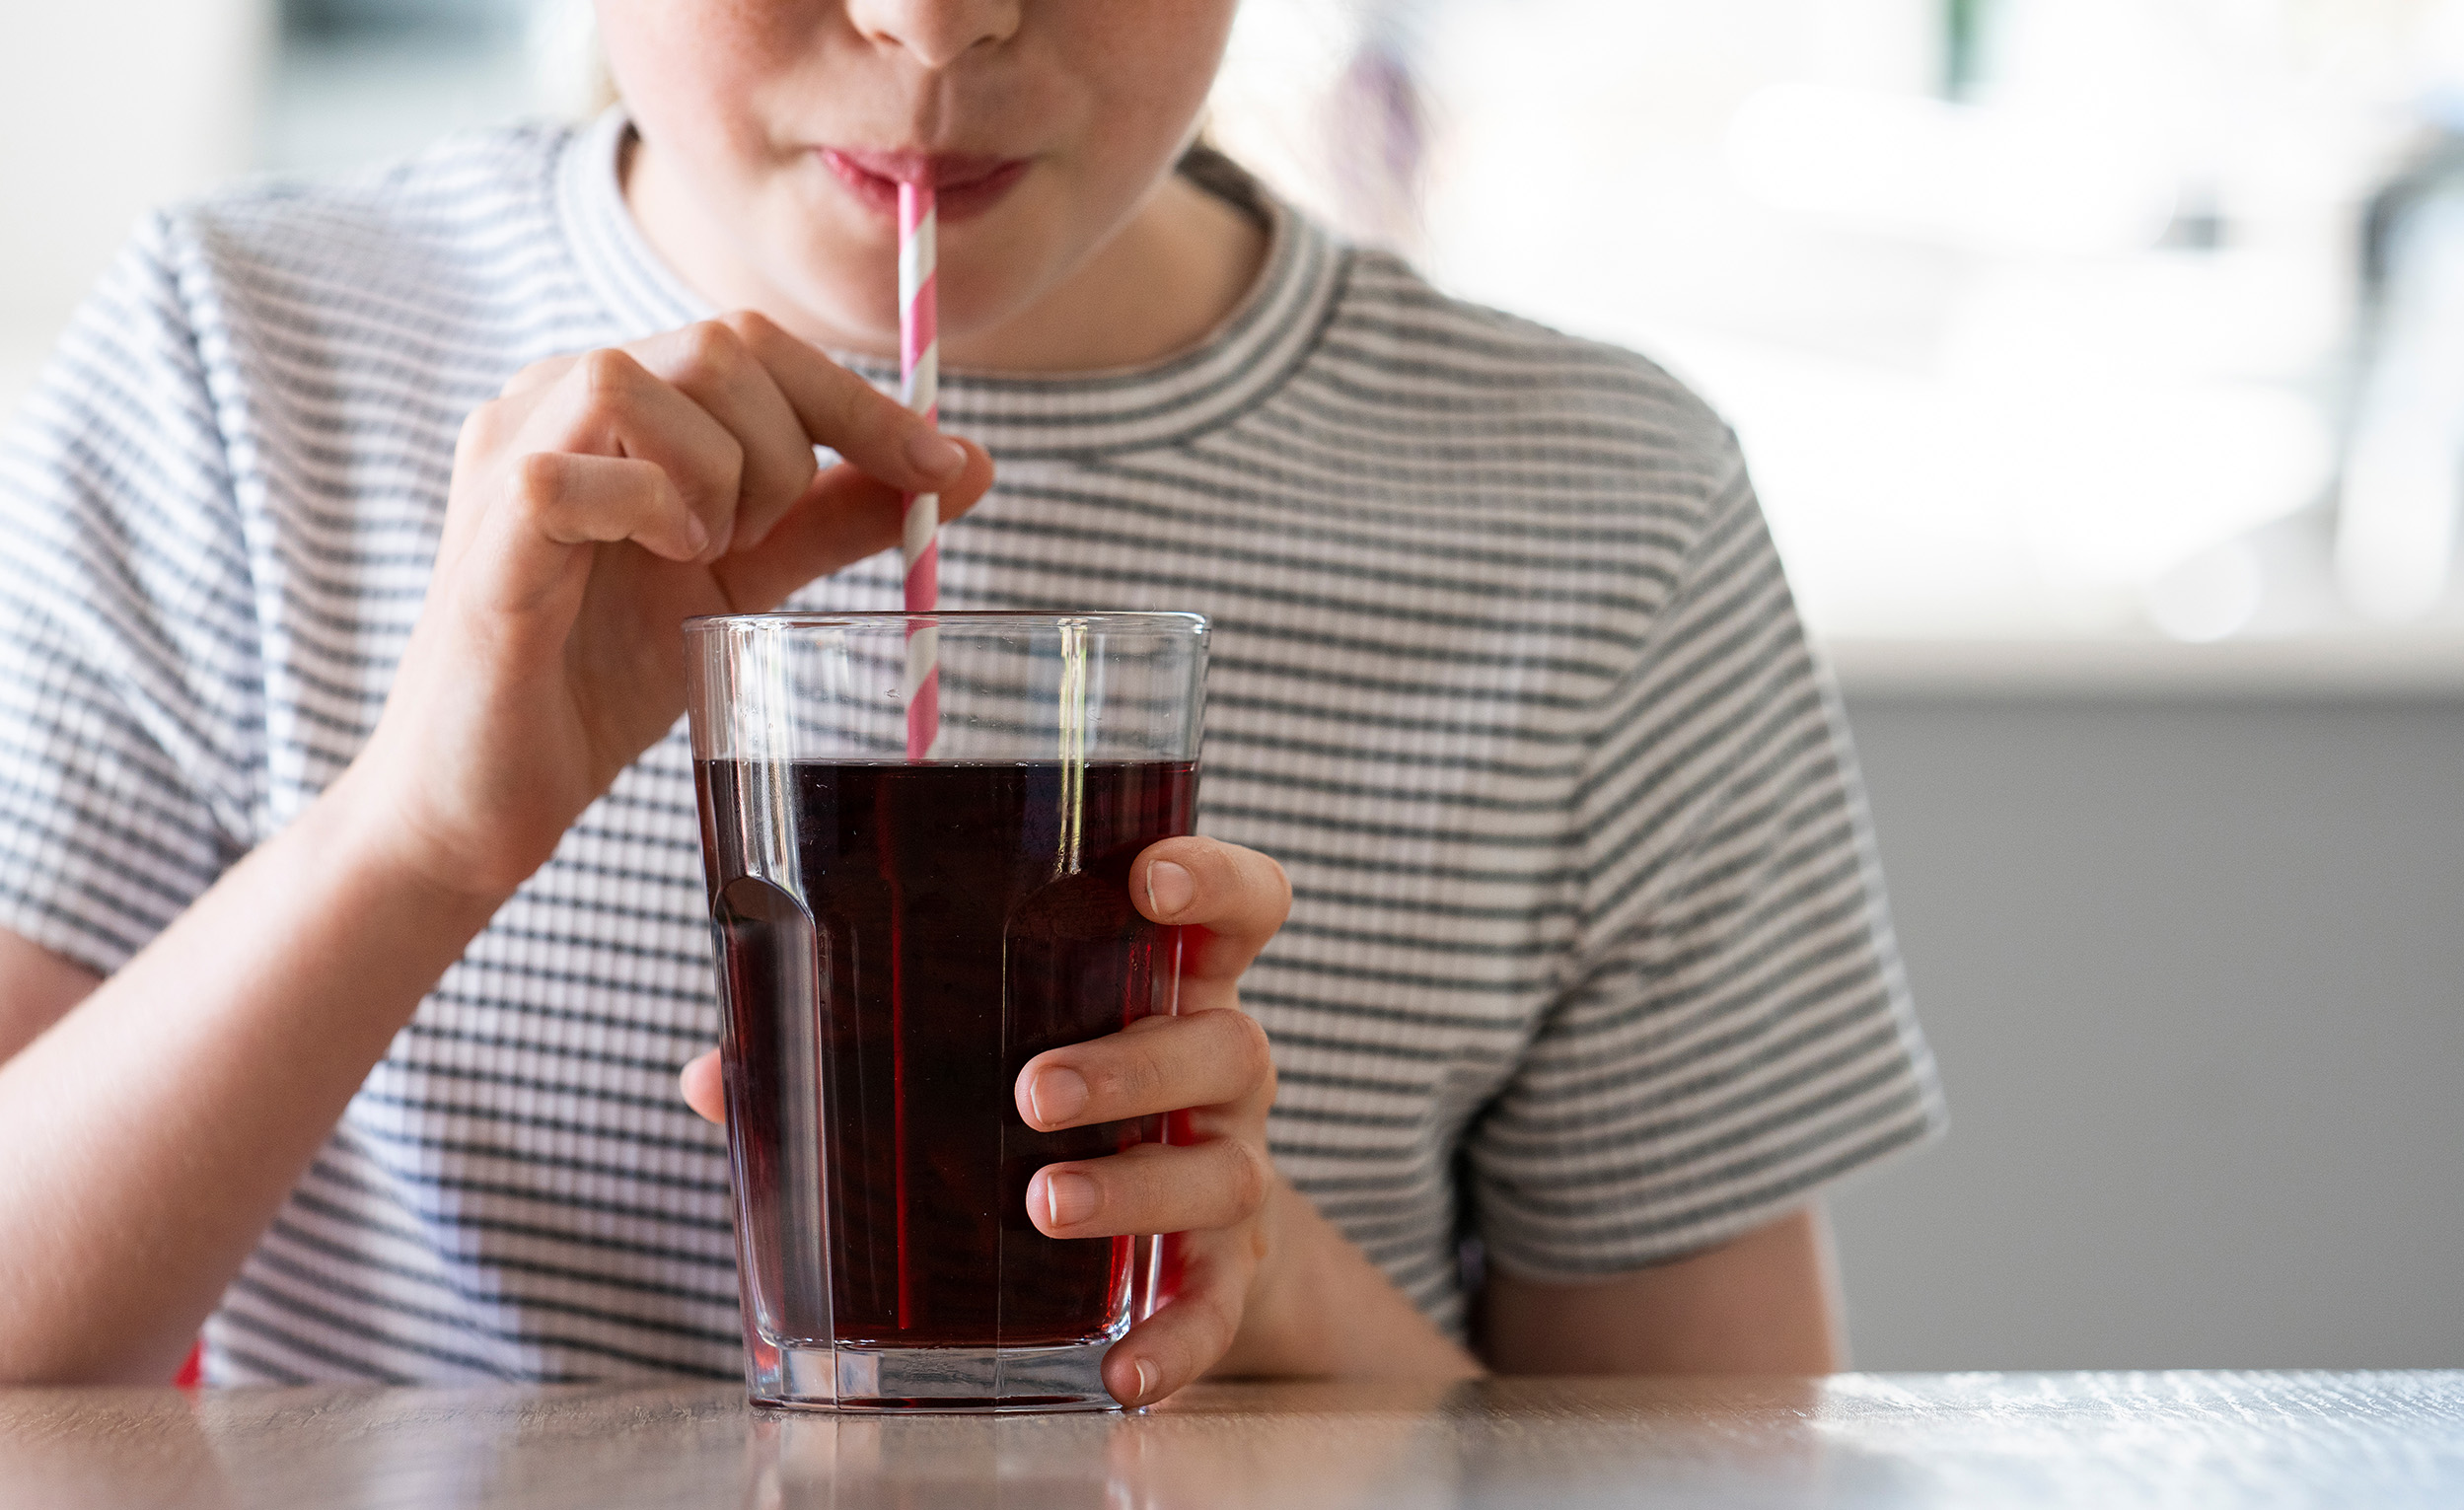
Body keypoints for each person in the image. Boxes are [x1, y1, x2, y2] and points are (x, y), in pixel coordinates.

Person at [0, 0, 1941, 1400]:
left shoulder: (1599, 507)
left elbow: (1713, 1461)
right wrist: (416, 830)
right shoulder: (241, 361)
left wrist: (1275, 1313)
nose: (936, 25)